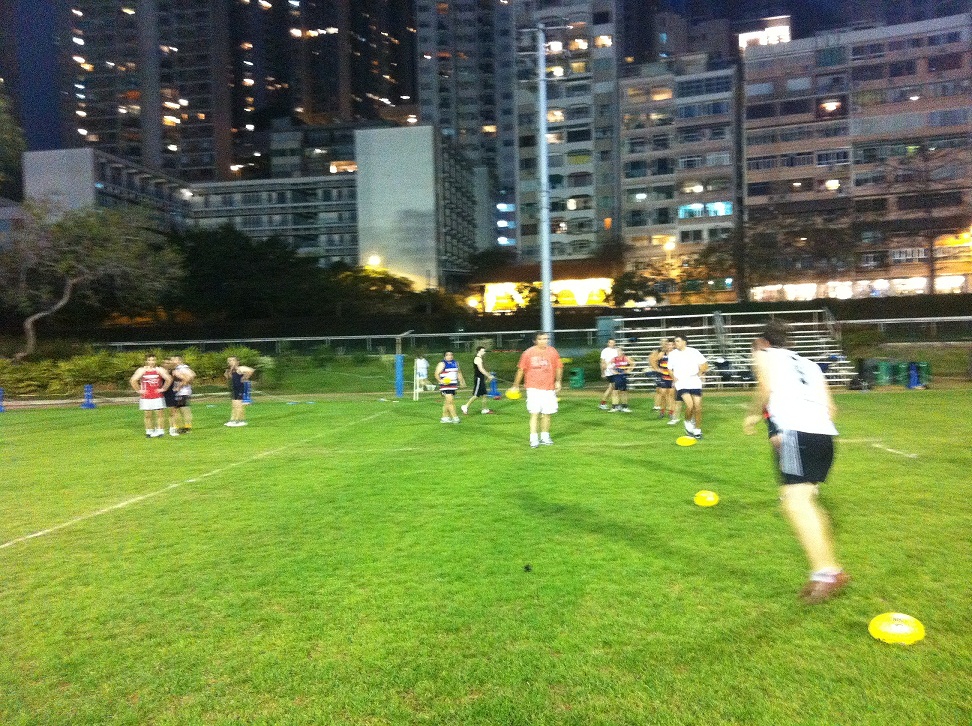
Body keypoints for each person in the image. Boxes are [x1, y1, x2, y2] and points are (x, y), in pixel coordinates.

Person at [744, 321, 848, 604]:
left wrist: (753, 414)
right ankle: (830, 569)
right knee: (805, 501)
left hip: (794, 435)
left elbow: (765, 388)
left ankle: (826, 573)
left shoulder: (764, 355)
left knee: (795, 503)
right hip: (824, 436)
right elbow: (831, 408)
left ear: (765, 342)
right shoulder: (810, 364)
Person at [509, 332, 562, 448]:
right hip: (533, 388)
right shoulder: (528, 353)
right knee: (535, 413)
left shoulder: (552, 351)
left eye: (546, 338)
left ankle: (545, 437)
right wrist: (515, 385)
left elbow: (558, 367)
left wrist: (558, 381)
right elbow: (521, 370)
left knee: (547, 413)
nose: (544, 341)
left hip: (549, 388)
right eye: (541, 339)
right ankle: (533, 439)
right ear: (535, 341)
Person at [668, 334, 708, 439]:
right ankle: (687, 422)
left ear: (684, 342)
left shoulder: (694, 352)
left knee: (698, 407)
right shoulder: (672, 354)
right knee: (690, 405)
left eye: (677, 341)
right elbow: (669, 369)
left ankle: (697, 430)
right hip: (681, 382)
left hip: (694, 381)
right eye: (675, 341)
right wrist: (673, 377)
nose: (675, 343)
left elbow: (704, 364)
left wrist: (700, 373)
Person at [129, 354, 172, 438]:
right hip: (146, 396)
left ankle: (160, 431)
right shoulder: (142, 370)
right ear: (146, 361)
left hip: (157, 396)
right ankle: (149, 431)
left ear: (156, 361)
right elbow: (133, 380)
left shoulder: (159, 369)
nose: (151, 362)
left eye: (153, 360)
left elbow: (169, 379)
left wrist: (163, 388)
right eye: (149, 360)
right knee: (147, 415)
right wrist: (139, 390)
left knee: (159, 414)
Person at [648, 338, 680, 425]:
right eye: (668, 345)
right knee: (663, 394)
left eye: (671, 345)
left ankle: (671, 412)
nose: (670, 346)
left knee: (671, 396)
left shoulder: (676, 354)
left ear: (673, 346)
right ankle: (662, 411)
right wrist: (657, 369)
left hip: (672, 378)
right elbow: (653, 360)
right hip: (664, 377)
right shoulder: (663, 353)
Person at [461, 346, 495, 415]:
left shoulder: (480, 358)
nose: (484, 352)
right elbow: (481, 369)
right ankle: (465, 406)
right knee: (476, 395)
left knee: (484, 394)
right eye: (483, 351)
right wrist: (489, 375)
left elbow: (483, 369)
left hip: (481, 378)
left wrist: (488, 376)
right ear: (479, 351)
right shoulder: (477, 359)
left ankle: (484, 409)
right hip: (478, 378)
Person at [434, 351, 465, 423]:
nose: (450, 356)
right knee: (450, 401)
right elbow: (436, 374)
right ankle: (455, 417)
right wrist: (441, 381)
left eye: (451, 355)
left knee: (447, 402)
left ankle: (445, 418)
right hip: (445, 386)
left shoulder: (455, 363)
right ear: (444, 356)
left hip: (453, 385)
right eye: (447, 355)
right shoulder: (442, 364)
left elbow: (459, 372)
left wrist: (461, 381)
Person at [225, 356, 254, 427]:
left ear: (237, 362)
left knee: (239, 405)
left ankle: (238, 420)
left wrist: (245, 377)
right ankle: (233, 420)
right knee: (234, 406)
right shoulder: (231, 370)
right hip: (234, 389)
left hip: (239, 389)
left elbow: (251, 370)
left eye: (232, 360)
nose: (230, 362)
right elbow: (230, 378)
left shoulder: (240, 368)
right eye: (229, 360)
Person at [170, 355, 196, 434]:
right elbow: (193, 375)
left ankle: (185, 427)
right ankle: (186, 426)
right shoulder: (183, 368)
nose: (172, 361)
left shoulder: (181, 368)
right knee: (183, 409)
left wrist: (179, 386)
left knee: (181, 410)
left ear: (179, 360)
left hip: (182, 392)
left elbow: (189, 377)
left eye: (173, 360)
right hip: (184, 392)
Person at [609, 347, 635, 413]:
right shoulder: (614, 359)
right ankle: (614, 407)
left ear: (622, 352)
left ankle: (624, 407)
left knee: (624, 391)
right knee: (615, 391)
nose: (618, 353)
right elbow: (609, 365)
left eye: (619, 351)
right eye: (617, 351)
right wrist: (613, 371)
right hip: (616, 376)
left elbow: (633, 364)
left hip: (623, 376)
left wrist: (629, 370)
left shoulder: (625, 358)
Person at [161, 358, 181, 436]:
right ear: (162, 364)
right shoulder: (160, 372)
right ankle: (160, 429)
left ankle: (172, 429)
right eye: (165, 363)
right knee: (160, 413)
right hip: (160, 394)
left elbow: (184, 379)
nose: (167, 364)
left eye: (168, 363)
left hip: (170, 394)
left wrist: (178, 387)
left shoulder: (173, 372)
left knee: (172, 413)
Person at [598, 338, 619, 410]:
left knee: (611, 388)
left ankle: (603, 403)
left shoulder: (616, 351)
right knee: (614, 387)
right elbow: (602, 362)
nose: (612, 344)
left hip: (615, 370)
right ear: (608, 343)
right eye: (611, 343)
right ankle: (615, 405)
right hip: (609, 371)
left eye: (613, 343)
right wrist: (603, 372)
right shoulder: (605, 351)